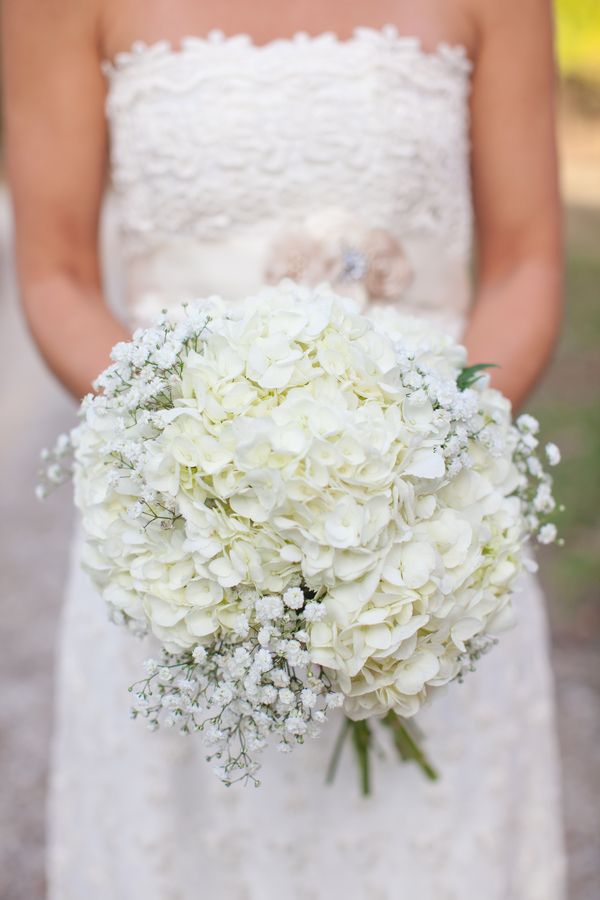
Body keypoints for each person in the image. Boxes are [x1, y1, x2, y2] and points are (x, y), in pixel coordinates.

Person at [3, 1, 567, 897]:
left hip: (429, 527)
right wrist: (182, 452)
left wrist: (433, 464)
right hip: (178, 532)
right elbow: (55, 272)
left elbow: (526, 260)